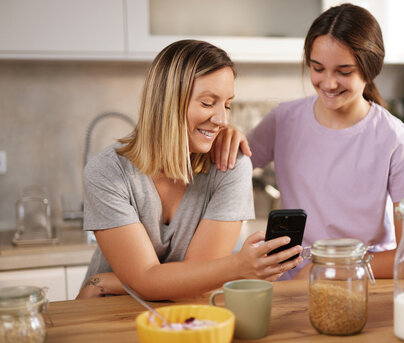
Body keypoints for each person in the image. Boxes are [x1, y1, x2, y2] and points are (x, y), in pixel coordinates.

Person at [211, 3, 404, 279]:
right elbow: (225, 167)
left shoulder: (394, 137)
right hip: (293, 283)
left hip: (364, 283)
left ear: (371, 69)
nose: (328, 83)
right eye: (318, 68)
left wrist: (328, 270)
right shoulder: (284, 120)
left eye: (344, 71)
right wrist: (228, 137)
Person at [77, 40, 303, 300]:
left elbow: (198, 282)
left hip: (185, 313)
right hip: (105, 314)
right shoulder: (107, 173)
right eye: (208, 103)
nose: (222, 119)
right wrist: (238, 266)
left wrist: (105, 282)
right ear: (167, 104)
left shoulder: (229, 167)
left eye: (227, 104)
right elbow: (146, 278)